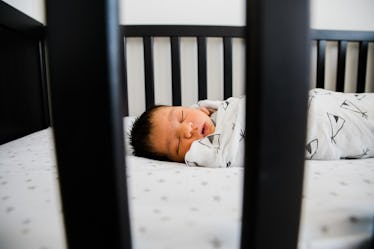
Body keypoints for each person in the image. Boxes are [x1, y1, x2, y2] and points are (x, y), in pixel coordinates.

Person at [130, 105, 217, 162]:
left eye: (182, 116)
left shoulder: (220, 110)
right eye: (178, 144)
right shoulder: (216, 157)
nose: (186, 130)